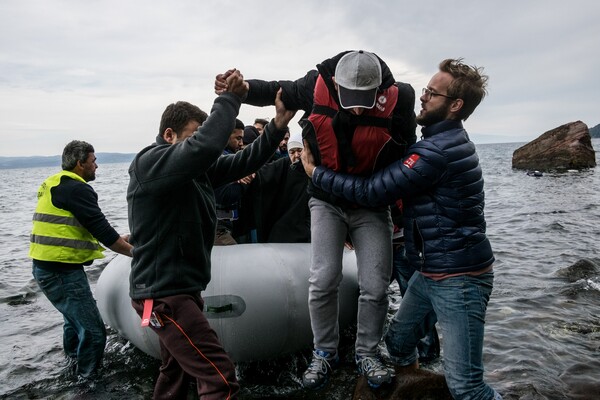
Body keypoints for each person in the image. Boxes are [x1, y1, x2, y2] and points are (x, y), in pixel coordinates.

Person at [302, 58, 503, 400]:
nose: (422, 98)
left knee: (468, 388)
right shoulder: (438, 144)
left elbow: (371, 192)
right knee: (396, 344)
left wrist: (315, 173)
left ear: (455, 106)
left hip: (460, 279)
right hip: (433, 271)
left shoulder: (436, 152)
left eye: (432, 94)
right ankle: (411, 384)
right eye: (424, 90)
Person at [216, 50, 417, 389]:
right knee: (323, 279)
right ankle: (324, 352)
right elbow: (277, 91)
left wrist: (399, 211)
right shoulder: (316, 84)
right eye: (350, 99)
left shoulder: (401, 99)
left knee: (375, 284)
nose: (356, 109)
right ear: (336, 84)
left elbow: (405, 154)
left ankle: (367, 353)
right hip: (326, 202)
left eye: (365, 101)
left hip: (371, 205)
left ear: (380, 90)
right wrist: (242, 89)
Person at [127, 69, 295, 400]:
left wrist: (277, 126)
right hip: (164, 295)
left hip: (179, 291)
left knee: (174, 372)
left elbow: (244, 161)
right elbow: (205, 148)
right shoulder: (150, 162)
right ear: (170, 135)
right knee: (220, 379)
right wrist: (230, 98)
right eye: (194, 135)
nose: (201, 144)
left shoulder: (194, 172)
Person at [29, 140, 133, 380]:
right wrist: (137, 253)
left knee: (73, 323)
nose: (97, 166)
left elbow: (70, 230)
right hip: (60, 273)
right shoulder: (77, 189)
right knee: (95, 332)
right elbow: (103, 231)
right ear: (80, 163)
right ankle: (88, 383)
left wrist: (120, 239)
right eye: (93, 161)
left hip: (46, 268)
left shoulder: (54, 182)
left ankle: (73, 366)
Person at [237, 131, 311, 243]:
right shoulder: (284, 165)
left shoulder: (318, 169)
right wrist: (247, 173)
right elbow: (262, 174)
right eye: (292, 152)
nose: (296, 155)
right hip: (285, 230)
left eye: (299, 150)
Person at [214, 118, 247, 245]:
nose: (241, 143)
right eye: (238, 138)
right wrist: (246, 180)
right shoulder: (218, 160)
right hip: (217, 229)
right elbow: (226, 195)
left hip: (228, 226)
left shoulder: (231, 157)